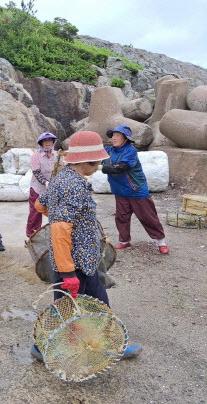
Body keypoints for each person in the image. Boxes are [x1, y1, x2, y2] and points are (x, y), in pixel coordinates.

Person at [30, 131, 141, 361]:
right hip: (73, 264)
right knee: (65, 308)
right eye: (98, 160)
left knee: (99, 303)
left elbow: (41, 205)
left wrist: (63, 214)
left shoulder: (63, 176)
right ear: (85, 161)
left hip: (85, 261)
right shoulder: (72, 185)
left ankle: (112, 343)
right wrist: (68, 273)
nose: (100, 165)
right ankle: (41, 348)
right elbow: (60, 230)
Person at [102, 125, 169, 254]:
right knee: (121, 217)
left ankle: (161, 241)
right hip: (120, 191)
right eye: (113, 135)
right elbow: (94, 155)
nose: (114, 138)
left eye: (118, 136)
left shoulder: (130, 151)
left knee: (147, 216)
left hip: (136, 190)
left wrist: (102, 169)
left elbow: (121, 167)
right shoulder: (108, 150)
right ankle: (124, 241)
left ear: (125, 139)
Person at [26, 132, 58, 238]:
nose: (47, 143)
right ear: (41, 143)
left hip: (54, 189)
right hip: (38, 188)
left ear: (53, 142)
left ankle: (56, 234)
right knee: (35, 212)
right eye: (45, 141)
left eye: (49, 140)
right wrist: (46, 182)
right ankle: (32, 236)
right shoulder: (36, 156)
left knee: (55, 211)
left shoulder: (57, 155)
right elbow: (37, 173)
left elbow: (61, 169)